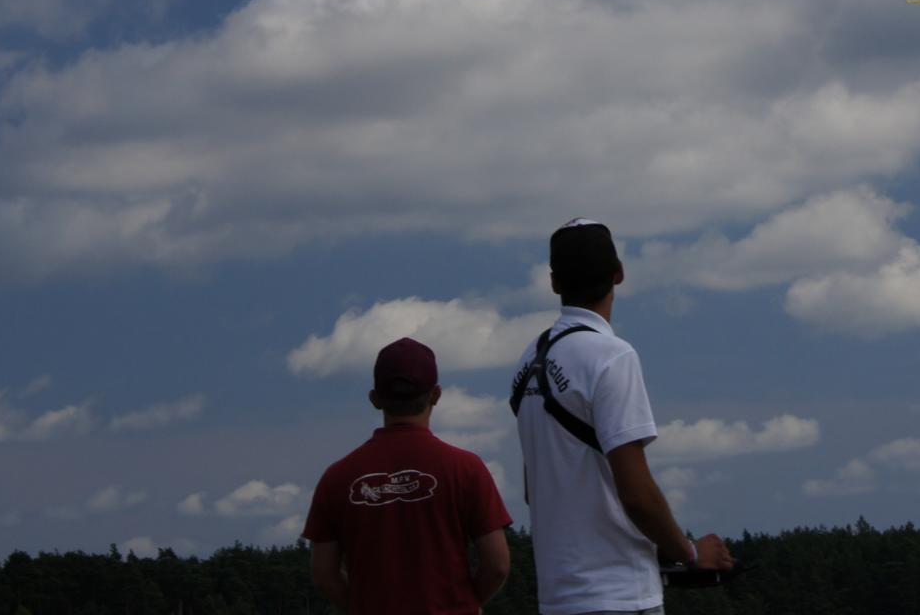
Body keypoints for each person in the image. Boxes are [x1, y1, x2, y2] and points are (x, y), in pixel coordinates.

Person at [510, 219, 734, 615]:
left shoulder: (529, 360)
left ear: (554, 282)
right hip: (619, 593)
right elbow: (635, 493)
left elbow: (535, 489)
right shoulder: (612, 356)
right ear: (619, 273)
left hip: (558, 597)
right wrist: (689, 552)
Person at [303, 337, 512, 614]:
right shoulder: (466, 468)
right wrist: (465, 605)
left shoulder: (337, 477)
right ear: (436, 395)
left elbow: (323, 574)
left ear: (374, 399)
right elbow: (497, 565)